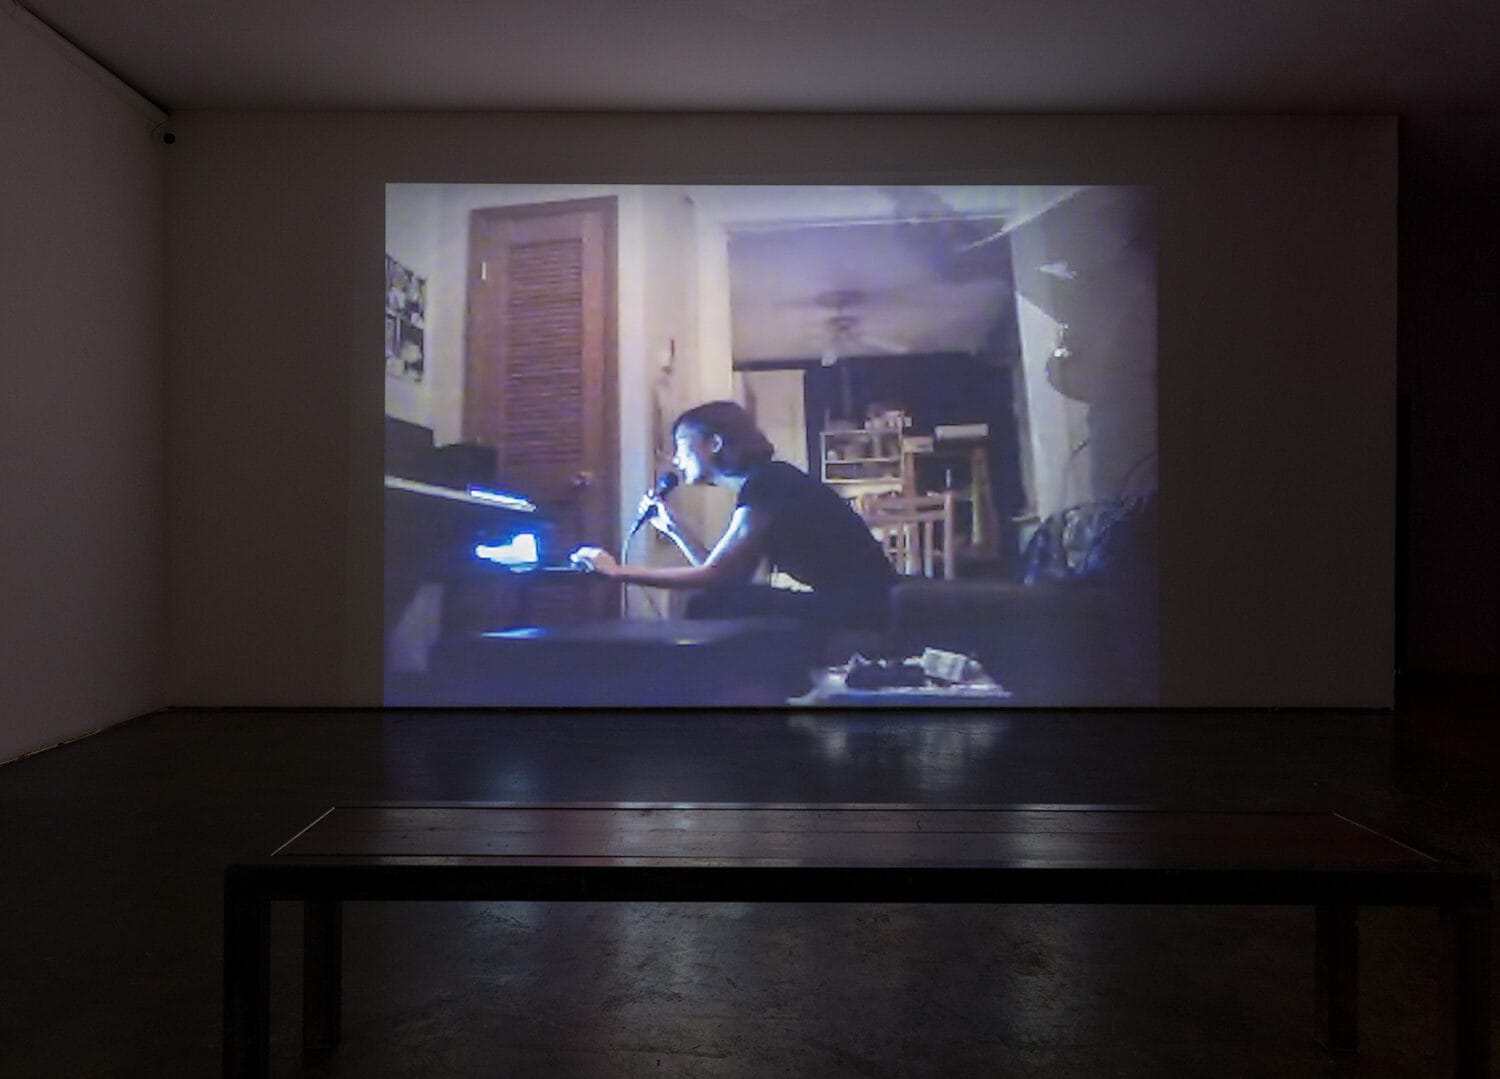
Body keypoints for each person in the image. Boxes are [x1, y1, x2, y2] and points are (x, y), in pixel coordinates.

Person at [570, 400, 897, 633]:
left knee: (706, 606)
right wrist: (675, 529)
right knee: (719, 600)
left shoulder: (768, 481)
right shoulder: (764, 483)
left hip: (863, 607)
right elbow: (729, 579)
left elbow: (717, 574)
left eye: (681, 445)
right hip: (857, 602)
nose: (676, 460)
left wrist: (617, 572)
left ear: (714, 443)